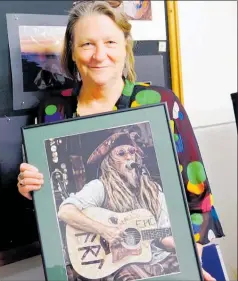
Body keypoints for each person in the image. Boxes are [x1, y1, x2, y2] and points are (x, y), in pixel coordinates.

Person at [17, 1, 224, 280]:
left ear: (125, 47)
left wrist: (192, 247)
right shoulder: (53, 112)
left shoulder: (160, 102)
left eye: (110, 42)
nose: (99, 55)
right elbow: (54, 204)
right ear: (72, 53)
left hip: (161, 263)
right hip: (93, 265)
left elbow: (197, 189)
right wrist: (31, 189)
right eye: (87, 44)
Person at [58, 130, 180, 280]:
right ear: (108, 161)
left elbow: (162, 233)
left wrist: (181, 242)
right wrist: (105, 230)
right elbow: (65, 212)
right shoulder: (99, 187)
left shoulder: (153, 190)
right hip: (116, 266)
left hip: (155, 259)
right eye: (121, 153)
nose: (129, 156)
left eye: (131, 151)